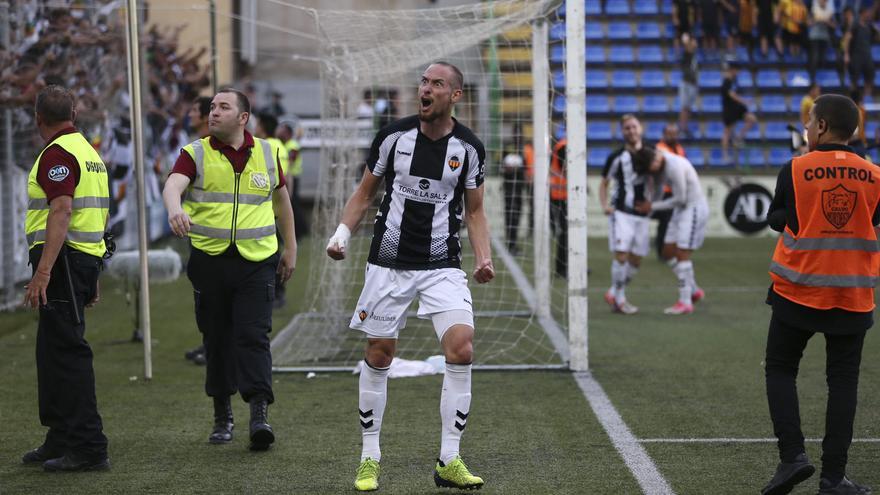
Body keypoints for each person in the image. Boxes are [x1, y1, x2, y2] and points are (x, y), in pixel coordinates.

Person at [325, 62, 493, 492]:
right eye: (423, 81)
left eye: (437, 83)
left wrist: (484, 258)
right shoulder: (393, 138)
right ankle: (369, 457)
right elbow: (365, 194)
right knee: (380, 354)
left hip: (442, 266)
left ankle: (449, 459)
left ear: (454, 95)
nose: (426, 88)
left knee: (462, 347)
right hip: (389, 264)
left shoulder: (469, 149)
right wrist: (342, 234)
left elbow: (474, 211)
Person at [162, 88, 297, 451]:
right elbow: (173, 184)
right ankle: (222, 414)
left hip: (257, 262)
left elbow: (281, 199)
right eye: (212, 107)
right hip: (209, 261)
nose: (214, 112)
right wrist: (175, 208)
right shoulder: (194, 153)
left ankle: (259, 414)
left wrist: (291, 248)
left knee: (253, 336)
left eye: (223, 107)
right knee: (217, 339)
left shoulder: (268, 152)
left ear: (243, 118)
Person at [760, 94, 877, 495]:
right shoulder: (876, 175)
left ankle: (793, 457)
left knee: (780, 367)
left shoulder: (794, 168)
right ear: (855, 131)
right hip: (853, 295)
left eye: (810, 123)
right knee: (843, 382)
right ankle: (833, 477)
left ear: (822, 126)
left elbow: (777, 218)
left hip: (798, 290)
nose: (807, 129)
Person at [21, 85, 110, 471]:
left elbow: (62, 210)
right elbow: (99, 217)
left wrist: (43, 272)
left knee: (68, 352)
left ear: (38, 118)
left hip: (61, 262)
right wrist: (93, 273)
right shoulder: (90, 154)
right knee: (52, 351)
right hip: (81, 260)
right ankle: (59, 436)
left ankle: (89, 447)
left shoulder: (56, 154)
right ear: (74, 114)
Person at [633, 146, 708, 315]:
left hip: (692, 207)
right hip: (680, 209)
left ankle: (685, 301)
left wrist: (651, 206)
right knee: (667, 252)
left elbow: (680, 199)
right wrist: (648, 212)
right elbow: (659, 191)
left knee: (682, 253)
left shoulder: (673, 166)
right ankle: (694, 290)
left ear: (654, 159)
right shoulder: (659, 165)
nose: (650, 173)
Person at [599, 114, 648, 314]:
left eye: (634, 126)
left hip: (642, 215)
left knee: (635, 260)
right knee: (621, 256)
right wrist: (604, 205)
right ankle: (619, 300)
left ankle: (614, 291)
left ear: (640, 128)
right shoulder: (616, 156)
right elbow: (604, 182)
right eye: (627, 128)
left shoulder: (651, 153)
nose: (631, 130)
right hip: (621, 213)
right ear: (622, 132)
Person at [183, 95, 213, 366]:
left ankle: (214, 348)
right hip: (197, 233)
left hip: (214, 237)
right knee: (202, 298)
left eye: (194, 110)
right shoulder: (193, 149)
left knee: (213, 298)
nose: (189, 114)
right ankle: (208, 345)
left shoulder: (207, 150)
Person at [255, 112, 291, 310]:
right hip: (275, 206)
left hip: (268, 208)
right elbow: (287, 177)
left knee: (272, 253)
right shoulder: (280, 145)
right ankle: (277, 292)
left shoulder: (266, 146)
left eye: (257, 124)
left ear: (262, 126)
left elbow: (277, 180)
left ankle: (277, 292)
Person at [277, 118, 310, 239]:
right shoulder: (285, 145)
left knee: (293, 205)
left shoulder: (293, 145)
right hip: (288, 177)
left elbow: (290, 161)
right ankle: (301, 231)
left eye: (283, 131)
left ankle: (301, 231)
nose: (280, 132)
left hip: (292, 178)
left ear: (288, 133)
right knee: (292, 204)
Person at [721, 60, 758, 164]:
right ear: (733, 70)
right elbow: (731, 95)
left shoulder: (734, 80)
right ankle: (725, 155)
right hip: (729, 109)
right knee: (727, 132)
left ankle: (738, 137)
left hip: (738, 108)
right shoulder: (727, 80)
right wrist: (745, 101)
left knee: (752, 119)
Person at [842, 7, 877, 99]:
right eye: (867, 13)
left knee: (869, 78)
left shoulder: (870, 26)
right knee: (854, 80)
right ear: (862, 13)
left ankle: (867, 99)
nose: (869, 15)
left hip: (867, 56)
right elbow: (847, 38)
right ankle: (852, 100)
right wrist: (846, 54)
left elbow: (876, 37)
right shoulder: (855, 24)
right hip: (856, 56)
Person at [550, 136, 569, 277]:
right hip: (561, 195)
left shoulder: (564, 145)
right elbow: (567, 169)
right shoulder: (564, 146)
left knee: (567, 231)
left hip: (565, 194)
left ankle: (570, 265)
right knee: (565, 232)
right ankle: (561, 268)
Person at [678, 33, 699, 137]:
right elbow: (686, 45)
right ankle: (681, 128)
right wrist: (686, 39)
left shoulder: (694, 55)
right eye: (694, 42)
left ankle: (685, 127)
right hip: (686, 84)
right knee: (684, 107)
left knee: (688, 108)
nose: (696, 44)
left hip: (693, 84)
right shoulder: (687, 54)